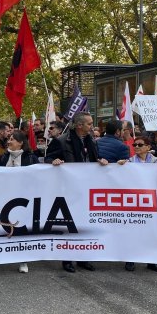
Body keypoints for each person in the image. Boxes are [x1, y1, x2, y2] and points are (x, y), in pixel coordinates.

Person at [45, 112, 108, 273]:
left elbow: (94, 158)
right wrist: (54, 161)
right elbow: (47, 159)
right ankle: (67, 259)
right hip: (69, 189)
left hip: (88, 189)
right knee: (70, 224)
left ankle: (83, 258)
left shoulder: (92, 141)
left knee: (86, 224)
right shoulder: (61, 141)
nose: (92, 126)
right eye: (89, 123)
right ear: (79, 125)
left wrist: (101, 161)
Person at [117, 136, 157, 272]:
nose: (137, 147)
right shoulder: (129, 162)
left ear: (148, 147)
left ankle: (152, 260)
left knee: (152, 231)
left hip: (151, 202)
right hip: (134, 202)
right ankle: (130, 259)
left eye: (140, 144)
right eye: (135, 145)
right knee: (133, 231)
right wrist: (119, 167)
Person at [0, 131, 38, 273]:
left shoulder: (31, 158)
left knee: (21, 228)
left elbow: (38, 176)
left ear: (21, 142)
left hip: (24, 198)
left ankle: (23, 260)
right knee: (3, 226)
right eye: (9, 139)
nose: (9, 141)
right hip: (5, 196)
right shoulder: (4, 157)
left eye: (13, 139)